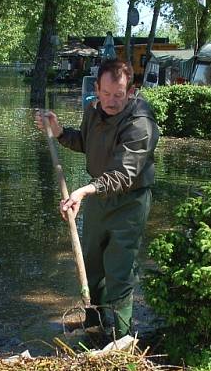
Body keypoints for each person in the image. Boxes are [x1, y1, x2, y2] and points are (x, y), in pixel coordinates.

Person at [34, 58, 160, 339]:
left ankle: (123, 336)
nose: (111, 101)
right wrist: (60, 132)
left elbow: (124, 174)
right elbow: (86, 143)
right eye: (105, 93)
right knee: (91, 264)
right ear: (97, 89)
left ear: (130, 91)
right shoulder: (93, 110)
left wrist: (83, 191)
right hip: (98, 198)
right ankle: (94, 326)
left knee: (119, 270)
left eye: (118, 95)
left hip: (130, 202)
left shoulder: (141, 123)